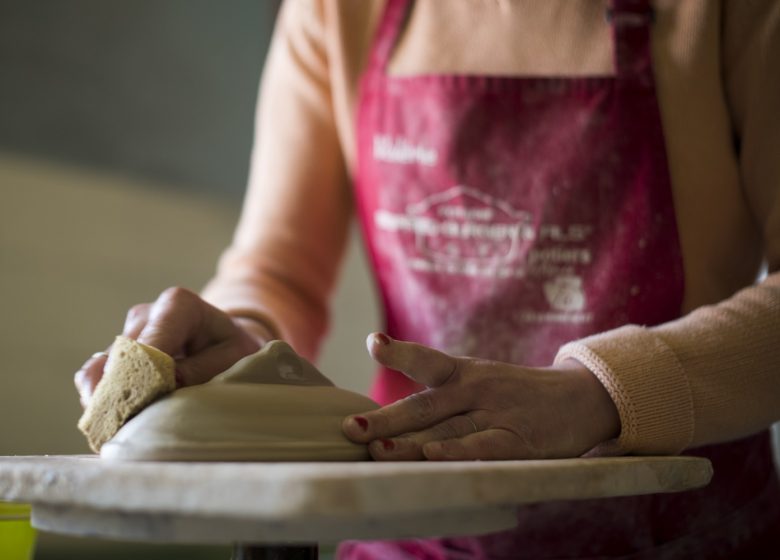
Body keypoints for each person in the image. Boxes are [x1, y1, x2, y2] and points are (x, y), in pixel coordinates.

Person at [75, 0, 780, 557]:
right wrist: (240, 340)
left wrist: (599, 394)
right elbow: (277, 269)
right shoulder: (335, 10)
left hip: (678, 535)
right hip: (409, 532)